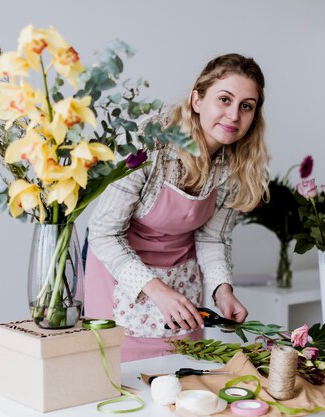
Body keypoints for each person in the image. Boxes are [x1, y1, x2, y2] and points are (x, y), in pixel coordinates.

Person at [84, 53, 270, 361]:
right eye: (224, 99)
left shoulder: (235, 165)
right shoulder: (147, 142)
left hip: (182, 281)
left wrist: (222, 290)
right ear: (197, 99)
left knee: (180, 381)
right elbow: (103, 233)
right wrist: (156, 290)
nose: (234, 115)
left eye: (246, 106)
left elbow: (212, 238)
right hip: (122, 282)